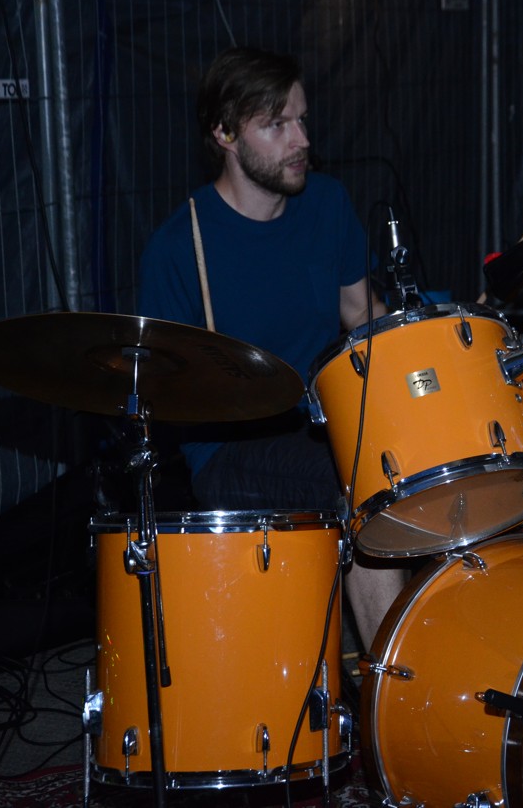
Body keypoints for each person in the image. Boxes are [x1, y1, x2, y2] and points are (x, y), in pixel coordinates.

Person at [138, 46, 407, 650]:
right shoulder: (180, 247)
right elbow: (167, 393)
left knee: (432, 457)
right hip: (232, 448)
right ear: (225, 134)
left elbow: (360, 311)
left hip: (324, 421)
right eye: (277, 124)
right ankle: (393, 683)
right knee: (358, 478)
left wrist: (423, 355)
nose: (301, 139)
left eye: (302, 119)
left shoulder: (327, 204)